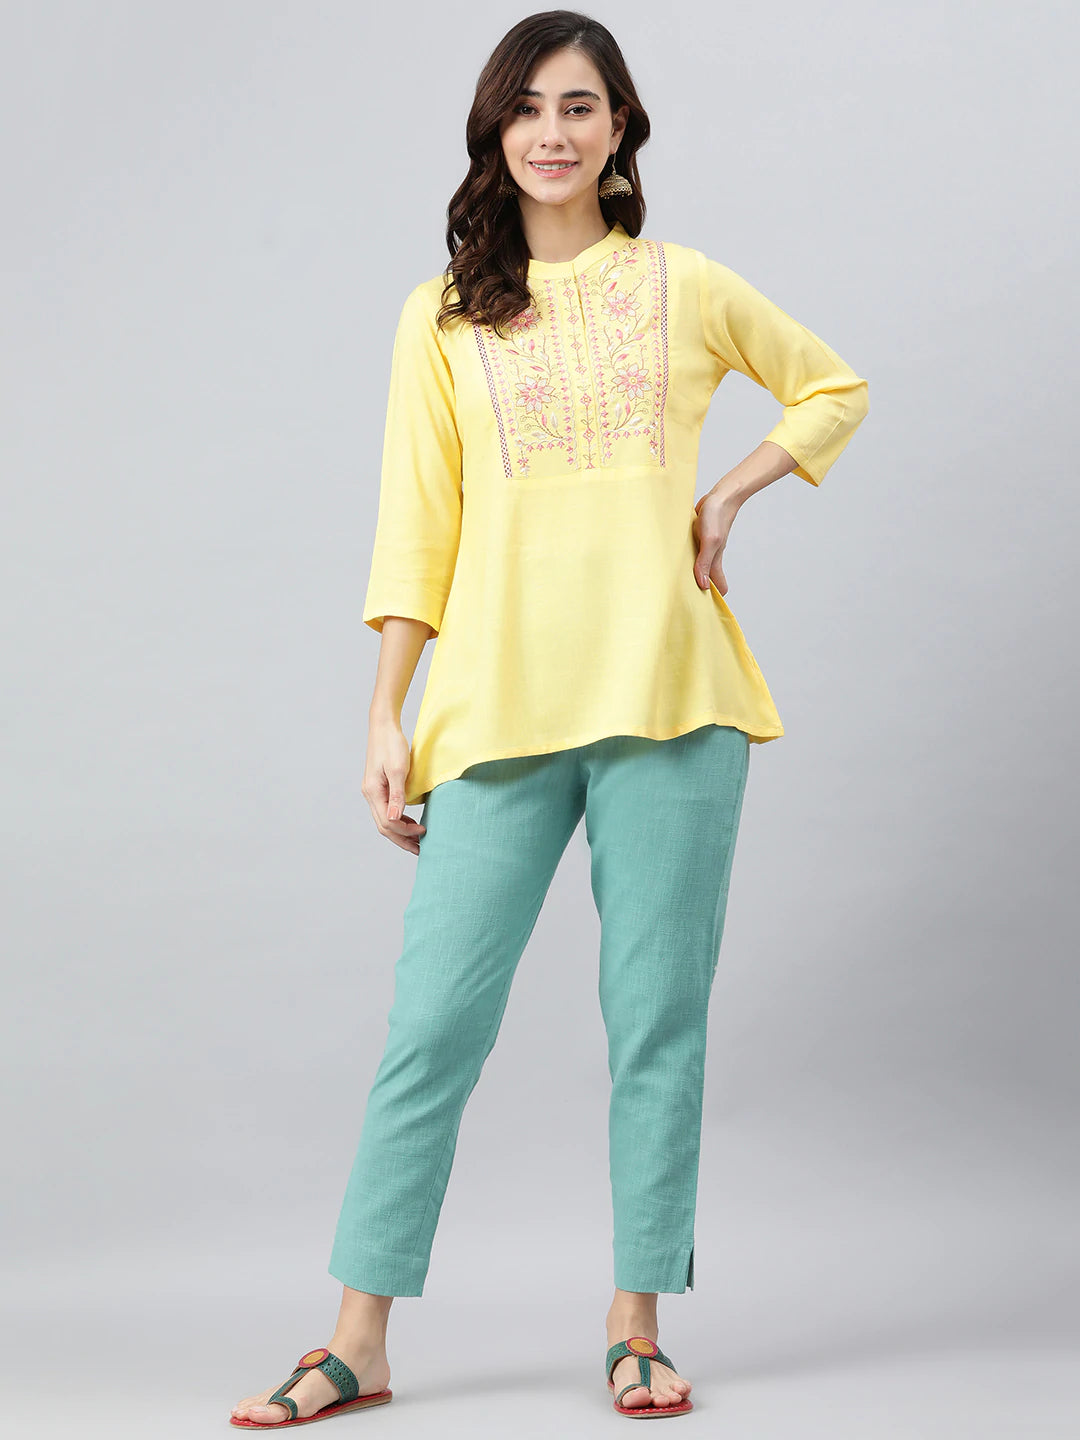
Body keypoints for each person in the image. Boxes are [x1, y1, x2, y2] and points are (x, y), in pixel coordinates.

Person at [230, 10, 868, 1429]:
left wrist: (730, 489)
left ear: (621, 125)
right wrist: (386, 715)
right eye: (526, 109)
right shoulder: (443, 314)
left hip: (672, 700)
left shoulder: (685, 286)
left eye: (580, 106)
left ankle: (637, 1326)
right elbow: (418, 530)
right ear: (494, 133)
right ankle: (357, 1340)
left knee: (656, 1023)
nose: (553, 133)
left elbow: (834, 386)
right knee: (432, 1026)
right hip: (495, 707)